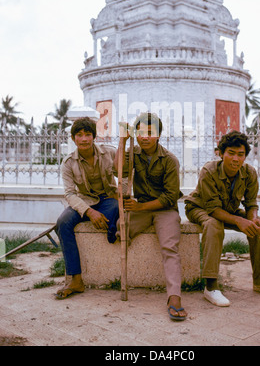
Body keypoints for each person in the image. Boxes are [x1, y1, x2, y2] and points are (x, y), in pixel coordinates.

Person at [184, 130, 260, 307]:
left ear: (245, 156)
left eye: (240, 154)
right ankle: (211, 286)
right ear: (221, 153)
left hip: (228, 209)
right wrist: (240, 220)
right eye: (231, 153)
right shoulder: (209, 171)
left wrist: (252, 219)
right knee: (213, 225)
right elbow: (213, 210)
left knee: (259, 227)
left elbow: (251, 203)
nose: (235, 159)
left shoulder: (250, 173)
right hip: (200, 207)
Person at [114, 112, 187, 321]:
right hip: (141, 208)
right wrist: (122, 141)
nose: (144, 137)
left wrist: (139, 208)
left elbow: (170, 197)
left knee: (169, 247)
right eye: (140, 133)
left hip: (164, 209)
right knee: (121, 229)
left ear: (158, 136)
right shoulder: (133, 153)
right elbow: (116, 170)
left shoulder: (170, 160)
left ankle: (174, 297)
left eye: (149, 133)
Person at [55, 117, 119, 300]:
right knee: (63, 222)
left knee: (115, 207)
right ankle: (75, 279)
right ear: (74, 138)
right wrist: (89, 212)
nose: (84, 139)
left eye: (88, 134)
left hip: (108, 200)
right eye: (79, 135)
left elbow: (124, 174)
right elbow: (69, 194)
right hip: (84, 201)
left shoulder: (110, 153)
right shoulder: (68, 163)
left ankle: (112, 230)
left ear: (94, 136)